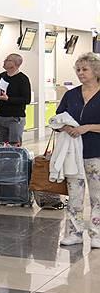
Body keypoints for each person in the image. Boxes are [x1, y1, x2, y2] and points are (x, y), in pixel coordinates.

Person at [58, 53, 100, 247]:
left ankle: (96, 233)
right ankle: (74, 233)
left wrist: (87, 127)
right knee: (74, 195)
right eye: (78, 70)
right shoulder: (71, 94)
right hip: (72, 153)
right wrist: (65, 127)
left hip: (96, 151)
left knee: (97, 196)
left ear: (96, 71)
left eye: (85, 69)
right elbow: (58, 117)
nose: (80, 73)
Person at [0, 53, 32, 145]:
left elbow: (26, 99)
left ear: (15, 64)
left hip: (15, 118)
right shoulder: (2, 75)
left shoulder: (23, 79)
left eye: (8, 60)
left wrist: (8, 99)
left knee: (14, 146)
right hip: (0, 117)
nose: (4, 61)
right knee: (2, 145)